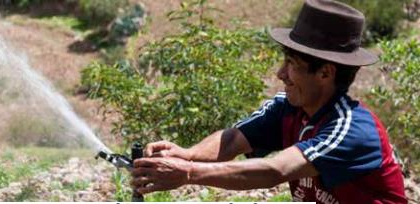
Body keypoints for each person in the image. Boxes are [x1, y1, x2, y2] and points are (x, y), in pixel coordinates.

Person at [131, 0, 407, 203]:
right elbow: (232, 141)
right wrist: (186, 154)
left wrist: (188, 173)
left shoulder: (351, 129)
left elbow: (276, 170)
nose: (280, 74)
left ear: (325, 73)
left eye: (292, 64)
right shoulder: (288, 108)